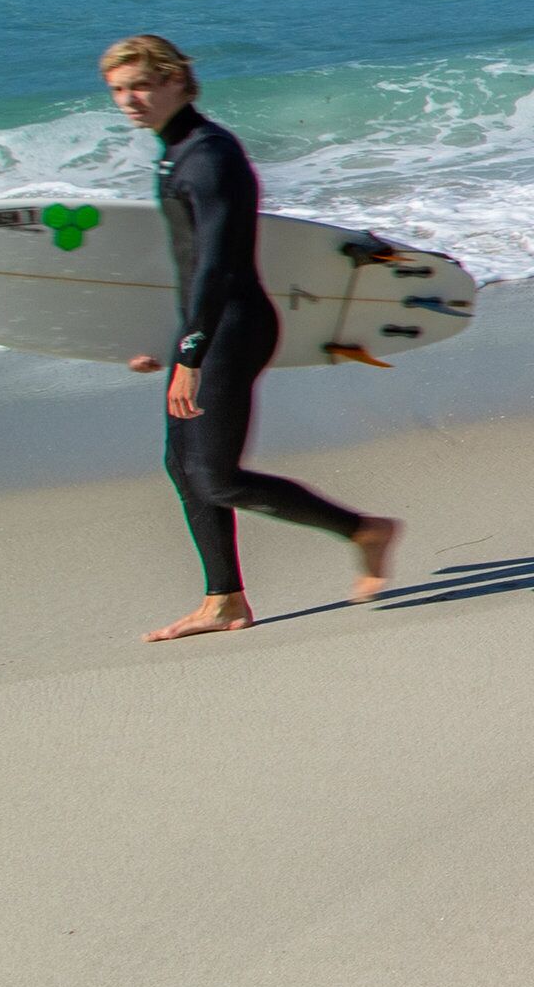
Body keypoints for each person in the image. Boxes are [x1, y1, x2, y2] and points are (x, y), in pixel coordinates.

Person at [102, 35, 398, 640]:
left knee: (217, 476)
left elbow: (217, 266)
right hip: (207, 327)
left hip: (231, 329)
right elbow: (187, 270)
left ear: (178, 82)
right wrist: (169, 340)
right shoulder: (175, 152)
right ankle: (224, 601)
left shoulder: (208, 156)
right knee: (183, 468)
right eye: (118, 90)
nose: (129, 100)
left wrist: (192, 353)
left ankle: (363, 529)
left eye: (141, 85)